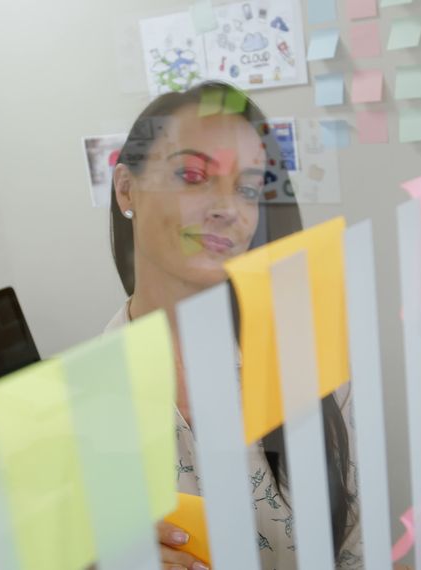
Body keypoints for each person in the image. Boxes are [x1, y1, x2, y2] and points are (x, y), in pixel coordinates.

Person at [106, 81, 364, 569]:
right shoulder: (81, 410)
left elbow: (355, 551)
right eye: (192, 174)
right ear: (126, 189)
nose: (227, 208)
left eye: (248, 187)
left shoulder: (310, 363)